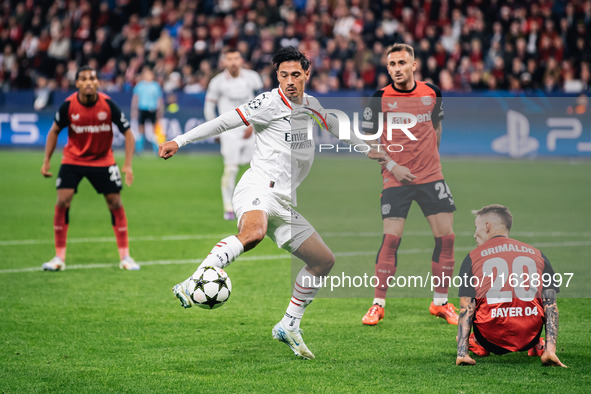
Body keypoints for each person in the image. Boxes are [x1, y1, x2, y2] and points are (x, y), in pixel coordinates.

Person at [159, 47, 386, 359]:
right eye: (283, 75)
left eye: (295, 74)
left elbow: (337, 127)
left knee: (323, 260)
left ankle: (289, 325)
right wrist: (179, 140)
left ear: (307, 74)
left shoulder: (312, 106)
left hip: (283, 201)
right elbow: (226, 121)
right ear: (276, 77)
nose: (290, 80)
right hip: (257, 187)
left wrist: (370, 149)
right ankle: (194, 279)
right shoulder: (268, 102)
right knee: (253, 232)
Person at [361, 43, 458, 325]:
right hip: (395, 178)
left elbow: (436, 126)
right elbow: (368, 142)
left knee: (447, 238)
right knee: (391, 239)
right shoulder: (380, 97)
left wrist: (433, 160)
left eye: (402, 63)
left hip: (431, 177)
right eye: (392, 65)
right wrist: (393, 166)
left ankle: (440, 303)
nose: (397, 69)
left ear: (413, 65)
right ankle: (377, 304)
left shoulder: (432, 93)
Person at [40, 65, 139, 271]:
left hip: (103, 160)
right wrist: (47, 160)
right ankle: (59, 257)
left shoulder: (108, 105)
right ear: (77, 83)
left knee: (115, 202)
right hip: (73, 159)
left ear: (97, 82)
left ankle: (125, 257)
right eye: (83, 79)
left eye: (92, 78)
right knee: (62, 200)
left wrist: (127, 164)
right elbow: (54, 131)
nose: (88, 82)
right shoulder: (68, 106)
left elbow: (128, 133)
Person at [456, 204, 566, 367]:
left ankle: (477, 343)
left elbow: (466, 306)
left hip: (489, 339)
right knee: (539, 303)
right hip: (530, 336)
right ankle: (540, 346)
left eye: (476, 227)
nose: (474, 235)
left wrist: (462, 353)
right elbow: (551, 306)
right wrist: (551, 350)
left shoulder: (473, 257)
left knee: (476, 302)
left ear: (487, 226)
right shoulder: (537, 254)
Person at [204, 49, 263, 220]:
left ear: (241, 60)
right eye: (229, 59)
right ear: (224, 62)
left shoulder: (252, 77)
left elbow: (262, 102)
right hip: (229, 132)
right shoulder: (217, 82)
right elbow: (209, 107)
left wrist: (255, 124)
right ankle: (228, 207)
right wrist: (215, 129)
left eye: (236, 58)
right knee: (231, 169)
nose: (233, 62)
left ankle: (257, 203)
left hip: (250, 129)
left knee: (259, 167)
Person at [131, 67, 164, 154]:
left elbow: (159, 99)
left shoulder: (155, 86)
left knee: (154, 129)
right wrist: (134, 110)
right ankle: (139, 149)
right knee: (141, 129)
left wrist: (160, 111)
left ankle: (156, 148)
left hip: (152, 109)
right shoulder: (140, 85)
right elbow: (135, 98)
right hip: (142, 109)